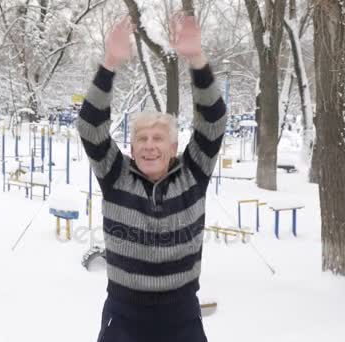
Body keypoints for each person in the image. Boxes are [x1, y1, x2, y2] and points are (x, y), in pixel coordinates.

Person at [77, 13, 227, 342]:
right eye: (141, 139)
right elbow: (90, 126)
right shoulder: (116, 176)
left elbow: (213, 121)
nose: (149, 146)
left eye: (157, 138)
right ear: (130, 147)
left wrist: (196, 59)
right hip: (124, 314)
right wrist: (110, 64)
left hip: (181, 313)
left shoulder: (193, 173)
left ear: (174, 147)